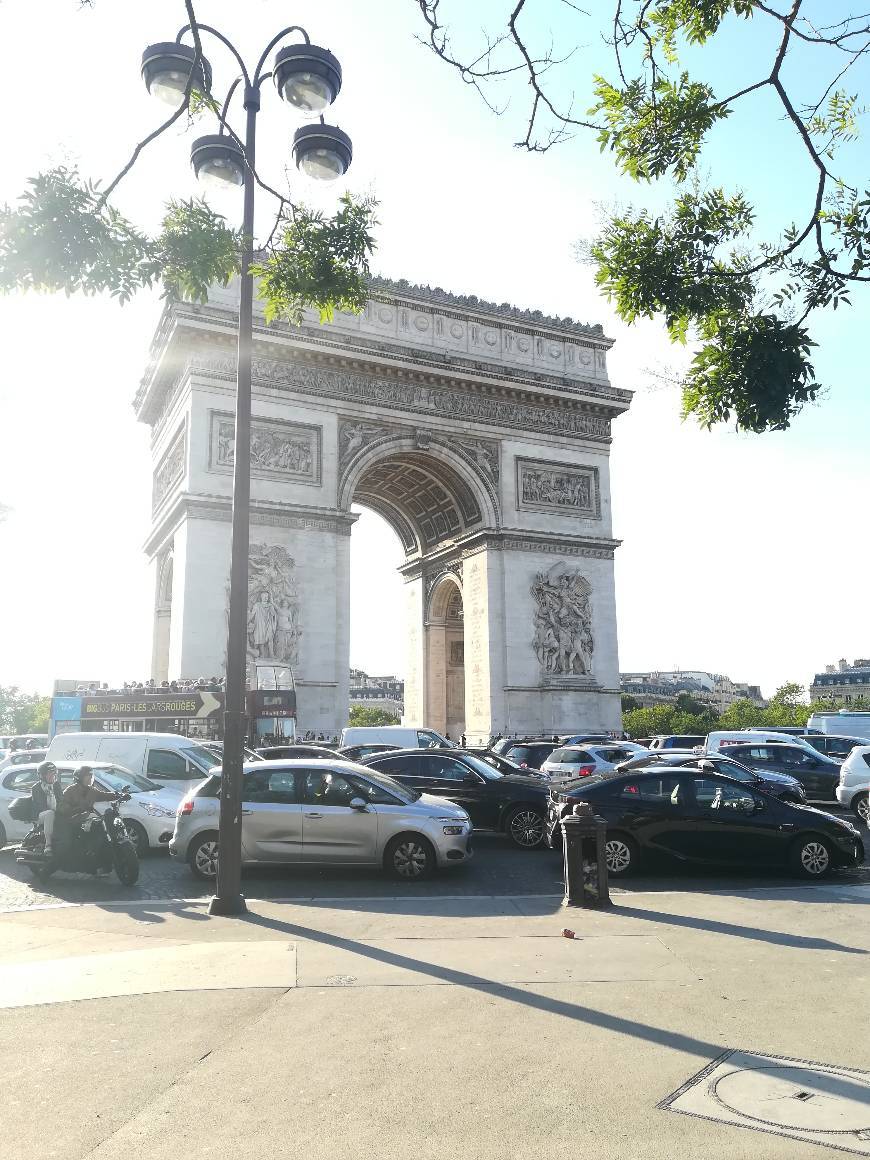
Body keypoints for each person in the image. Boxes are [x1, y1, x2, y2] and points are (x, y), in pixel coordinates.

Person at [30, 761, 62, 858]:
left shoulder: (56, 785)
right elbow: (41, 806)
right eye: (49, 774)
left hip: (54, 812)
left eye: (54, 774)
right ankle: (48, 845)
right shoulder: (36, 788)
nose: (53, 776)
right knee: (50, 813)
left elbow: (61, 799)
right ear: (42, 776)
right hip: (40, 815)